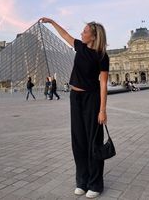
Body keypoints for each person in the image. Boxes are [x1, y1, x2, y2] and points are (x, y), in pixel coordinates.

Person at [39, 17, 109, 199]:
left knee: (93, 140)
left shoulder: (102, 56)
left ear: (93, 36)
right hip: (75, 97)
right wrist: (52, 22)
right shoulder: (80, 47)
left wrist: (102, 110)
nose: (81, 34)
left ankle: (95, 183)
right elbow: (65, 35)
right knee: (78, 141)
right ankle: (82, 181)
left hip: (91, 99)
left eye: (85, 31)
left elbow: (103, 84)